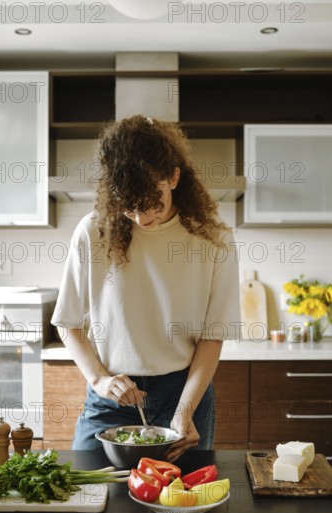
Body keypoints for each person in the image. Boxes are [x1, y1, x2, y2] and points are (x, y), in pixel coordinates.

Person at [51, 114, 240, 462]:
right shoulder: (94, 232)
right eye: (130, 207)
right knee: (89, 499)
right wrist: (99, 381)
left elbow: (212, 337)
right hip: (111, 397)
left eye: (152, 202)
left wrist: (185, 411)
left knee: (180, 505)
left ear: (173, 177)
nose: (142, 218)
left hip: (183, 395)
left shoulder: (214, 239)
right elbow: (68, 323)